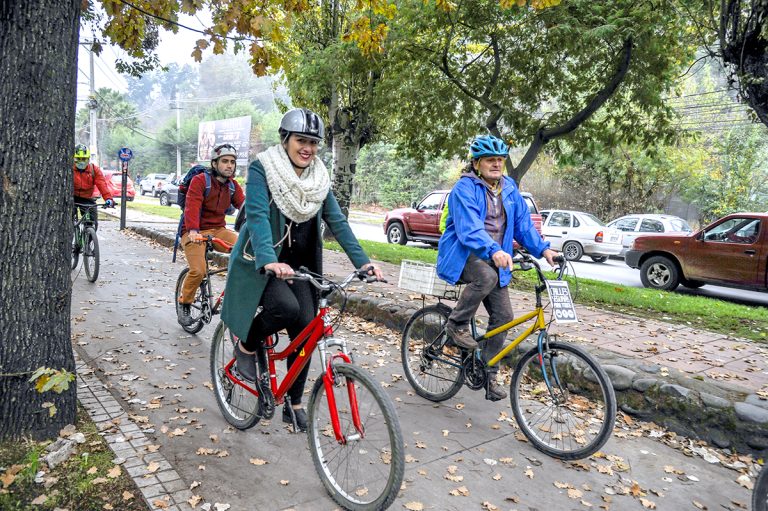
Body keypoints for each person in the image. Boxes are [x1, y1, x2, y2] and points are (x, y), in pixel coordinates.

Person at [220, 108, 383, 432]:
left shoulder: (319, 178)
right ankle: (246, 346)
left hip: (303, 267)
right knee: (285, 307)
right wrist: (268, 258)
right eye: (301, 140)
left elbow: (337, 222)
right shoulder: (262, 169)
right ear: (286, 140)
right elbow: (257, 217)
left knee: (307, 331)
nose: (307, 147)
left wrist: (362, 262)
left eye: (313, 142)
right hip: (263, 262)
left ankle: (293, 405)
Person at [437, 135, 557, 401]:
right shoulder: (464, 189)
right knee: (486, 276)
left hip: (496, 258)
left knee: (503, 317)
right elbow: (469, 229)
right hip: (464, 253)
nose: (496, 165)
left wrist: (544, 250)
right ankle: (455, 325)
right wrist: (494, 250)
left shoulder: (510, 188)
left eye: (500, 160)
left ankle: (488, 374)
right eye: (490, 160)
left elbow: (524, 226)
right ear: (477, 163)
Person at [177, 144, 245, 326]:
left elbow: (246, 207)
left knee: (246, 252)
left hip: (218, 230)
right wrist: (192, 230)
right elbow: (192, 206)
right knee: (198, 270)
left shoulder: (232, 186)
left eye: (232, 162)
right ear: (215, 164)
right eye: (225, 161)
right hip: (194, 231)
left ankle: (239, 296)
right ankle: (184, 303)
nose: (229, 165)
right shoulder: (200, 181)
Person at [72, 144, 115, 230]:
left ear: (88, 159)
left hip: (87, 198)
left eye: (84, 159)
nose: (81, 162)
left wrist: (108, 199)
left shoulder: (93, 169)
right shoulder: (70, 168)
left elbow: (102, 184)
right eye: (78, 159)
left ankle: (88, 239)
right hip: (72, 198)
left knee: (92, 222)